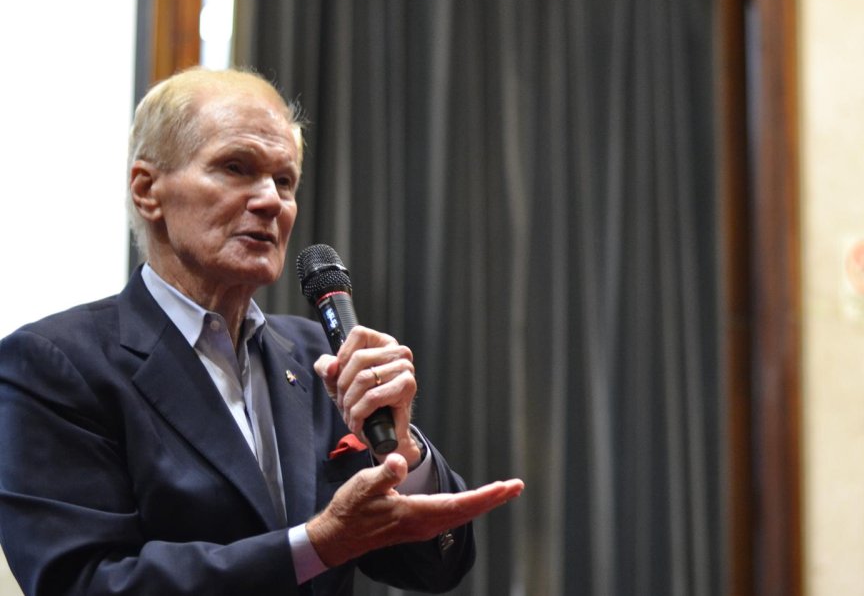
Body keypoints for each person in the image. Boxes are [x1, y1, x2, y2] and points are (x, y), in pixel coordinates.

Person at [0, 67, 524, 595]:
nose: (272, 201)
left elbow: (435, 569)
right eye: (236, 167)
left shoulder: (319, 353)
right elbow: (85, 583)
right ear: (148, 190)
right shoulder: (52, 364)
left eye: (284, 180)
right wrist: (318, 544)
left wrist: (403, 454)